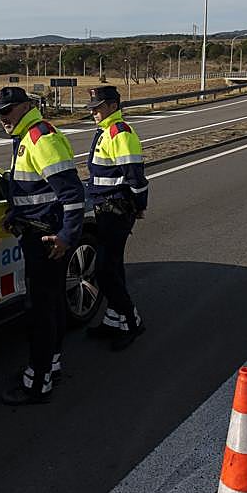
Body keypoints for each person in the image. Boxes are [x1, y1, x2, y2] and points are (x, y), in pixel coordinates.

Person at [0, 86, 86, 406]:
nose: (2, 118)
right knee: (53, 304)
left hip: (46, 240)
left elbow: (72, 196)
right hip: (39, 232)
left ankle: (39, 382)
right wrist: (15, 212)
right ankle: (51, 365)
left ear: (27, 106)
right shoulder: (26, 136)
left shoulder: (39, 138)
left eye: (8, 110)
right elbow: (36, 191)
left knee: (40, 312)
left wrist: (66, 237)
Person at [83, 85, 147, 350]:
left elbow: (135, 175)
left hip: (117, 210)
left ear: (112, 106)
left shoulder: (119, 133)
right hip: (104, 207)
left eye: (98, 107)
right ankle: (113, 319)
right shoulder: (105, 132)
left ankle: (131, 321)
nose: (94, 112)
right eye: (92, 108)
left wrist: (139, 204)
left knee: (105, 271)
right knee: (114, 268)